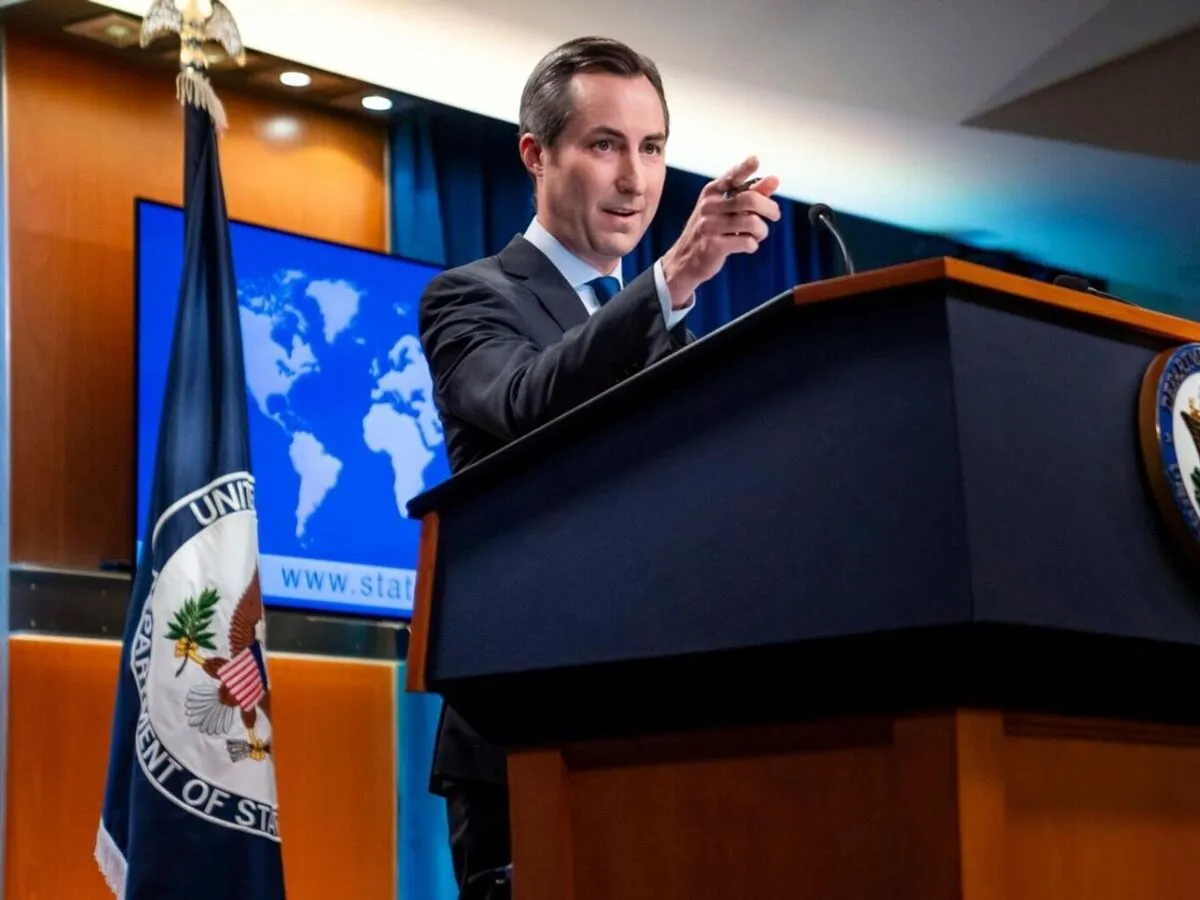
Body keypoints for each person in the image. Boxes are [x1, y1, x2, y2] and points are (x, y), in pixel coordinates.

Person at [417, 34, 781, 898]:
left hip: (659, 722)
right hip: (526, 722)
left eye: (652, 149)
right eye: (605, 144)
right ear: (536, 155)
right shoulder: (471, 298)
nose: (635, 179)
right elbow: (525, 399)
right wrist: (673, 278)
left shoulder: (666, 330)